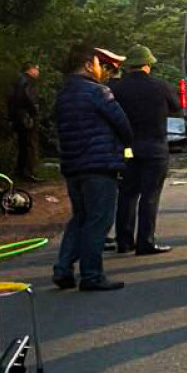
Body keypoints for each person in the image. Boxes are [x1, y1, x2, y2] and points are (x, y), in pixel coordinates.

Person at [52, 45, 133, 292]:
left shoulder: (63, 94)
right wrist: (126, 146)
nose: (101, 70)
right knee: (98, 220)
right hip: (100, 165)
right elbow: (122, 124)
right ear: (88, 65)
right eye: (99, 64)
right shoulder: (98, 91)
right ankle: (91, 275)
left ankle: (63, 269)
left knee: (80, 218)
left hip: (73, 166)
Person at [110, 45, 179, 256]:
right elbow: (176, 107)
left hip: (128, 149)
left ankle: (124, 240)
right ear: (148, 64)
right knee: (150, 195)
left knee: (127, 193)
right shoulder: (160, 86)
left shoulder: (117, 89)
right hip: (155, 148)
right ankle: (145, 241)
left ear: (129, 66)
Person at [7, 61, 41, 181]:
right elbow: (28, 98)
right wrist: (35, 110)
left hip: (18, 117)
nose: (38, 72)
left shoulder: (18, 80)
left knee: (23, 144)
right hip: (26, 117)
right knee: (29, 145)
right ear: (31, 69)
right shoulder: (27, 81)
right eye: (37, 68)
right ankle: (28, 172)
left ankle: (21, 171)